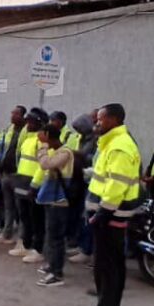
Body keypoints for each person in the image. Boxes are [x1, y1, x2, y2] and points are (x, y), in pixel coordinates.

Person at [76, 103, 142, 306]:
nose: (97, 122)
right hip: (110, 214)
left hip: (110, 215)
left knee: (106, 267)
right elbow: (108, 176)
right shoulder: (113, 142)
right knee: (113, 265)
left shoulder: (119, 146)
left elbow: (116, 185)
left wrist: (103, 213)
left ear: (113, 120)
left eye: (101, 118)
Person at [35, 124, 77, 287]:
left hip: (60, 200)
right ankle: (51, 265)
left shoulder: (65, 152)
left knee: (56, 237)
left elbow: (45, 164)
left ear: (48, 135)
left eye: (43, 136)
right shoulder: (57, 151)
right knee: (51, 234)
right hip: (51, 199)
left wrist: (43, 146)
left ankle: (57, 273)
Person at [13, 108, 48, 263]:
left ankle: (38, 249)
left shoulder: (42, 141)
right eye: (28, 121)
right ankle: (26, 245)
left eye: (32, 122)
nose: (29, 124)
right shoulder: (28, 140)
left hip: (34, 185)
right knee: (24, 217)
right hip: (22, 182)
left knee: (37, 219)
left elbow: (42, 166)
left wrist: (35, 184)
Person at [0, 106, 29, 246]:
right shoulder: (9, 129)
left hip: (18, 174)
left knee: (21, 208)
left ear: (23, 116)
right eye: (12, 113)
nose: (12, 116)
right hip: (5, 173)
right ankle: (6, 234)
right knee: (8, 206)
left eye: (16, 114)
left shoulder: (27, 131)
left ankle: (21, 238)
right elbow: (1, 146)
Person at [69, 111, 99, 265]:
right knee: (81, 215)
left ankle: (87, 250)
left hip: (92, 182)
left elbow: (93, 160)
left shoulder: (95, 141)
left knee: (87, 217)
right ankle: (81, 246)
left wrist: (78, 156)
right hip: (82, 180)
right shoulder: (82, 139)